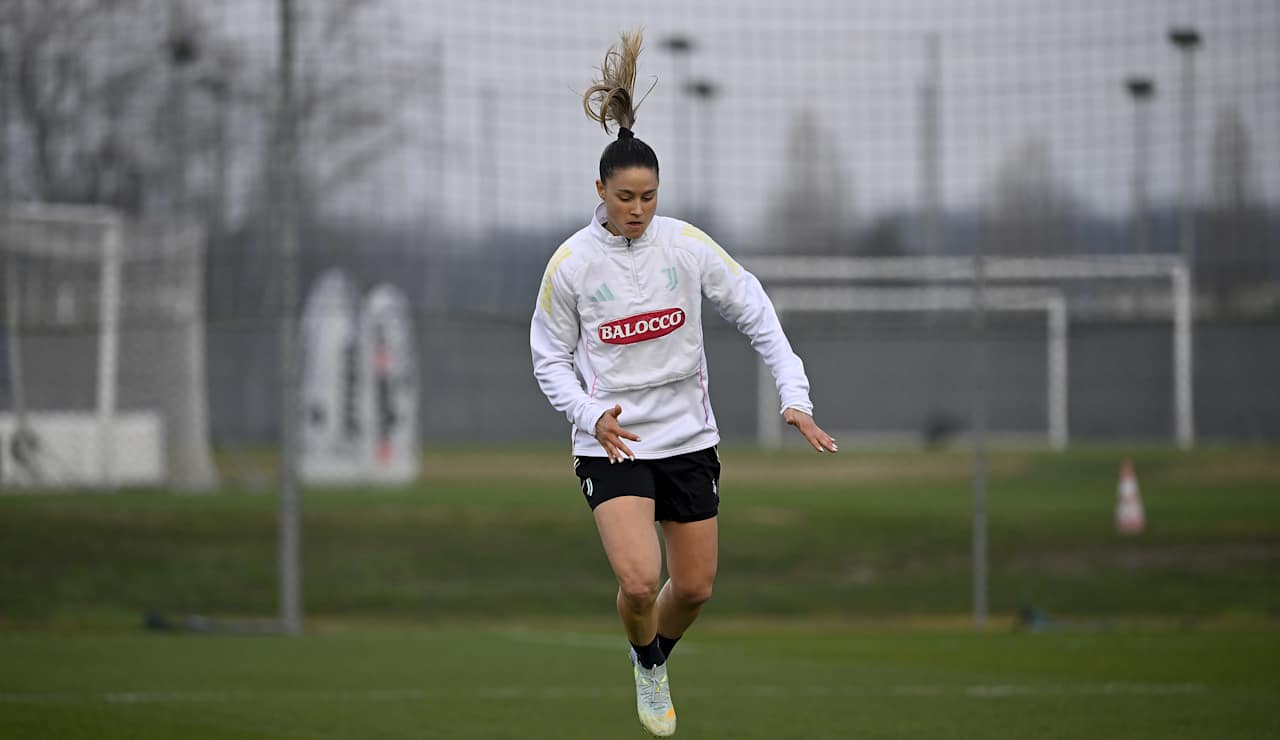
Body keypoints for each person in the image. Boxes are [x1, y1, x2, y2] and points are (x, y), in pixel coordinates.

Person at [529, 29, 838, 738]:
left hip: (689, 439)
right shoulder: (571, 265)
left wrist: (794, 396)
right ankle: (648, 664)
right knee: (639, 581)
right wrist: (588, 414)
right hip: (613, 444)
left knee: (693, 588)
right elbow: (548, 358)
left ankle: (651, 652)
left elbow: (755, 309)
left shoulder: (686, 246)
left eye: (648, 196)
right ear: (600, 191)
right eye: (625, 196)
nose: (637, 208)